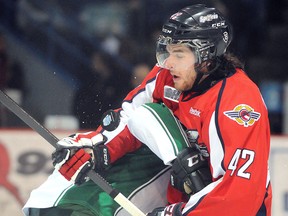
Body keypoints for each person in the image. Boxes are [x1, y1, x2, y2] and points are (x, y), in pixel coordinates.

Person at [23, 4, 272, 216]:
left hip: (226, 209)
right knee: (148, 116)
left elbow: (241, 194)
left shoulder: (239, 103)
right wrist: (97, 148)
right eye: (168, 51)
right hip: (183, 195)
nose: (168, 62)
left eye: (179, 54)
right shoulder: (168, 76)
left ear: (205, 58)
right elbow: (131, 115)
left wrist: (174, 213)